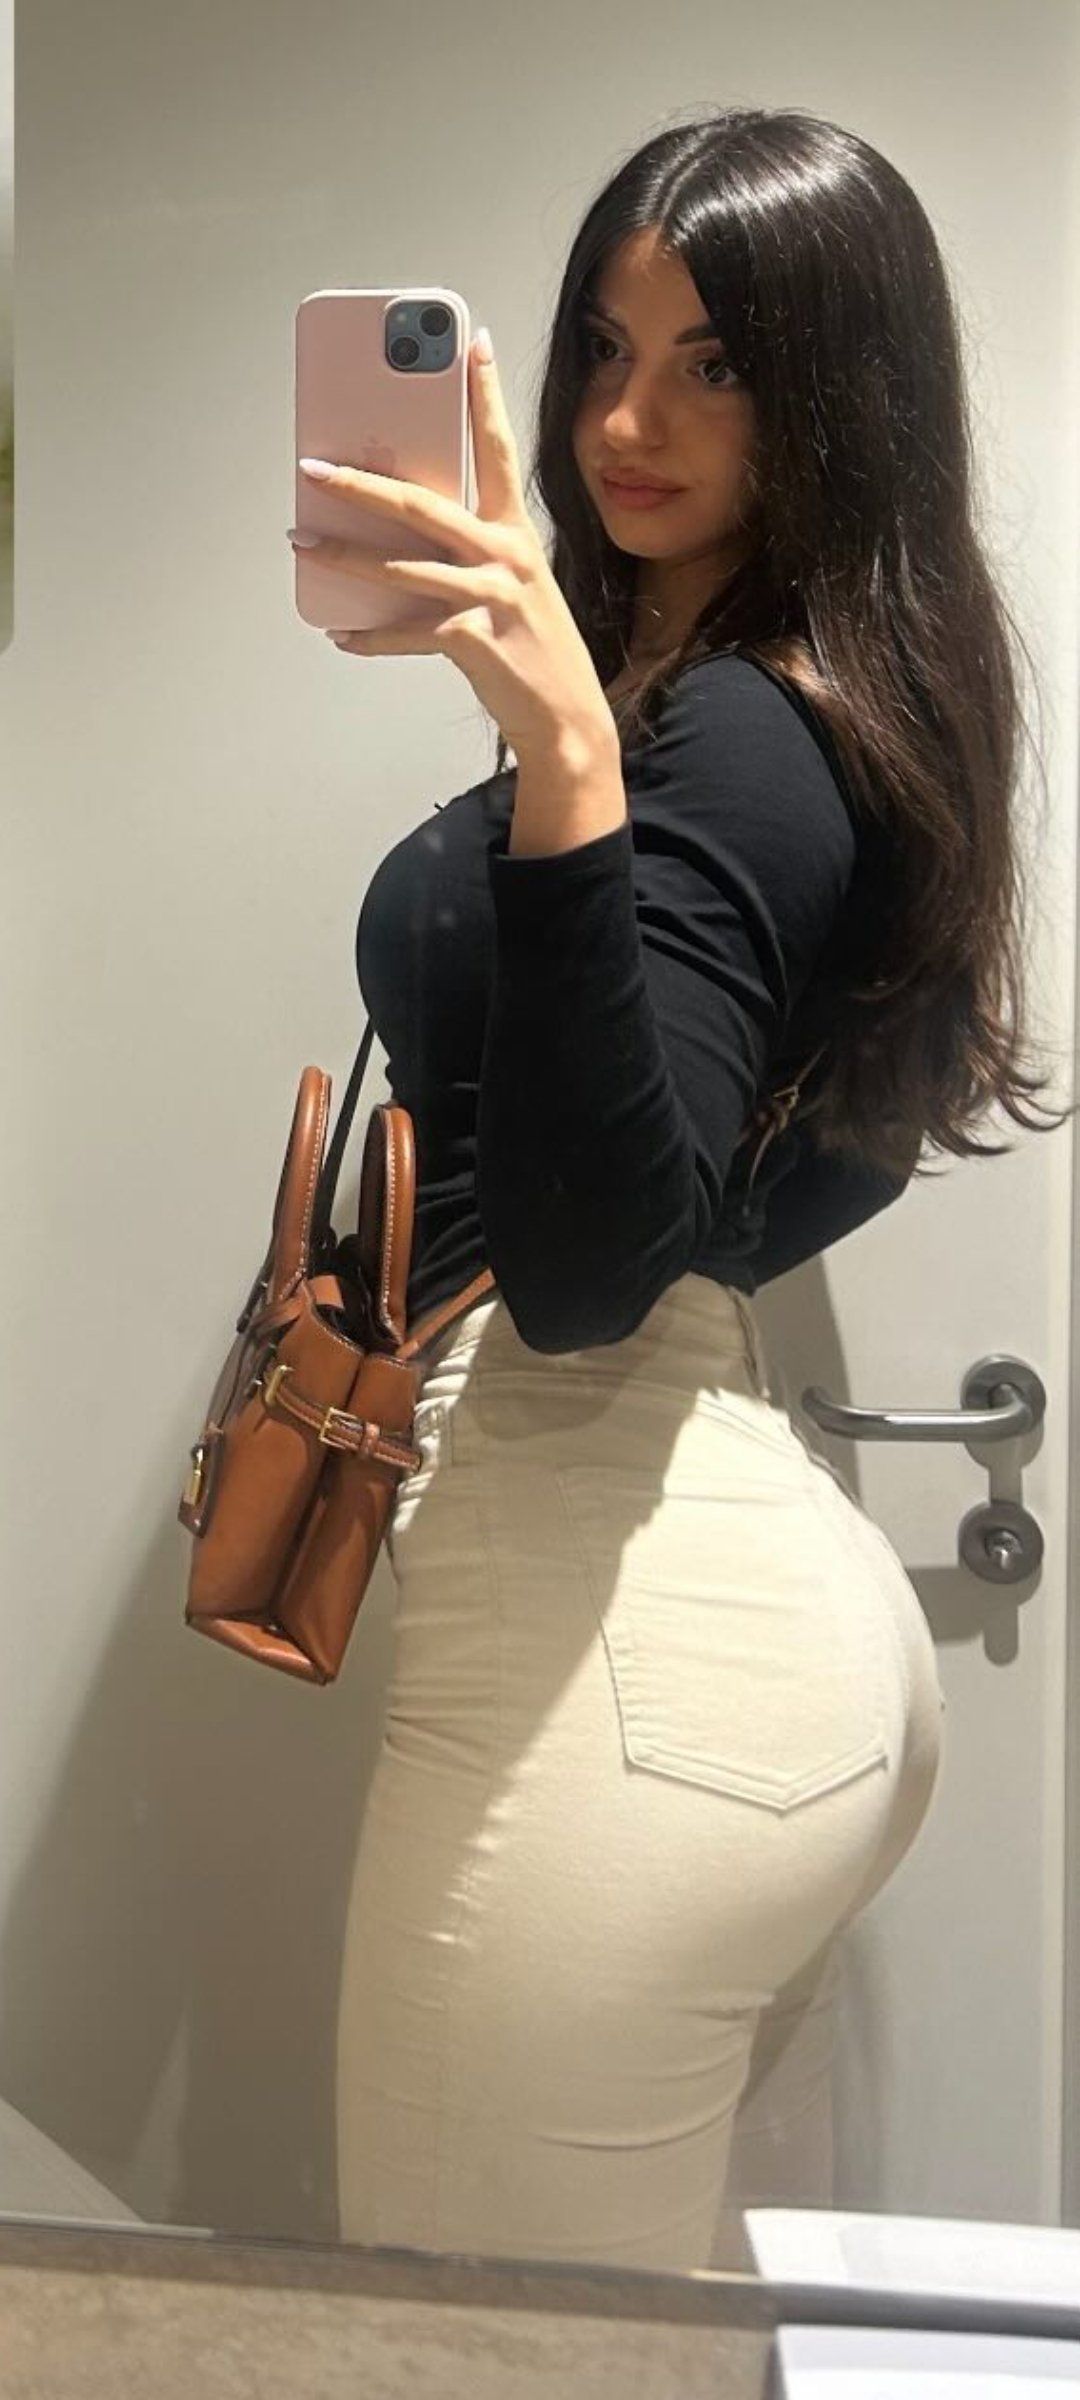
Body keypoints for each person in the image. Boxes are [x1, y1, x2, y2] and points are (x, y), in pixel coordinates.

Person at [318, 108, 1072, 2272]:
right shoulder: (750, 692)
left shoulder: (736, 731)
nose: (626, 424)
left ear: (841, 396)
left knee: (477, 2358)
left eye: (717, 363)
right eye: (604, 347)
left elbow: (584, 1280)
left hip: (622, 1633)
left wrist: (565, 759)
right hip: (695, 1620)